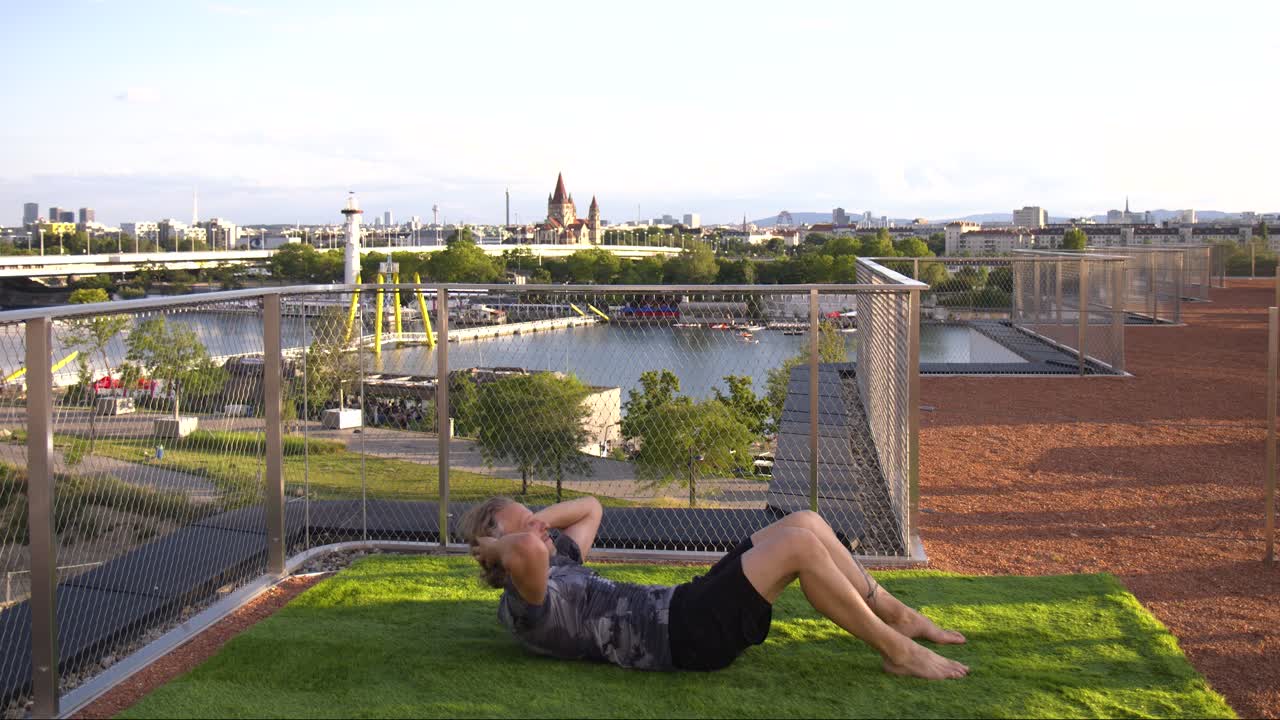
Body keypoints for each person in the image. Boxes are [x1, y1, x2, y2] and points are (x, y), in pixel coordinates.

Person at [460, 496, 968, 679]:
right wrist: (505, 544)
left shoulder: (555, 560)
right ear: (499, 554)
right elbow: (524, 553)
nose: (541, 530)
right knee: (797, 547)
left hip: (684, 605)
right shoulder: (527, 603)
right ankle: (897, 650)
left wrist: (533, 523)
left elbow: (592, 506)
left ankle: (895, 612)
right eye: (527, 526)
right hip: (684, 638)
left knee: (806, 522)